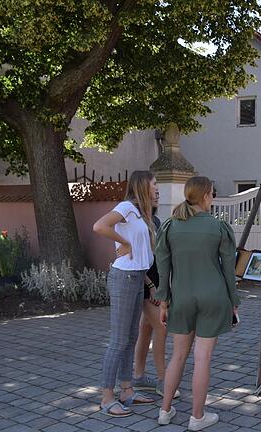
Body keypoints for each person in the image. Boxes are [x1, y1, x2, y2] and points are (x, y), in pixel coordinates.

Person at [154, 176, 240, 431]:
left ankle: (165, 411)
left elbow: (162, 268)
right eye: (212, 193)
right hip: (213, 297)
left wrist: (163, 302)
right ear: (205, 196)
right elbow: (228, 271)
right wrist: (234, 302)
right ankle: (197, 417)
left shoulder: (170, 226)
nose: (213, 198)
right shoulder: (219, 227)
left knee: (177, 356)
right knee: (202, 359)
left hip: (181, 297)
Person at [93, 171, 158, 417]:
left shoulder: (139, 213)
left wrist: (150, 284)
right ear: (143, 186)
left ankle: (127, 390)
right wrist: (125, 243)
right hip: (123, 279)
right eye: (154, 185)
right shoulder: (126, 207)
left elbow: (142, 258)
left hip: (137, 278)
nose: (157, 189)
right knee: (119, 340)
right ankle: (107, 397)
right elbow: (99, 226)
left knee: (131, 338)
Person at [131, 195, 181, 399]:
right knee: (162, 327)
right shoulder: (136, 221)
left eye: (159, 190)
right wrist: (152, 287)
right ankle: (163, 380)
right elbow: (135, 257)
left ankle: (139, 376)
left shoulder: (157, 220)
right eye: (154, 189)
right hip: (145, 282)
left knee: (146, 329)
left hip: (155, 281)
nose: (158, 194)